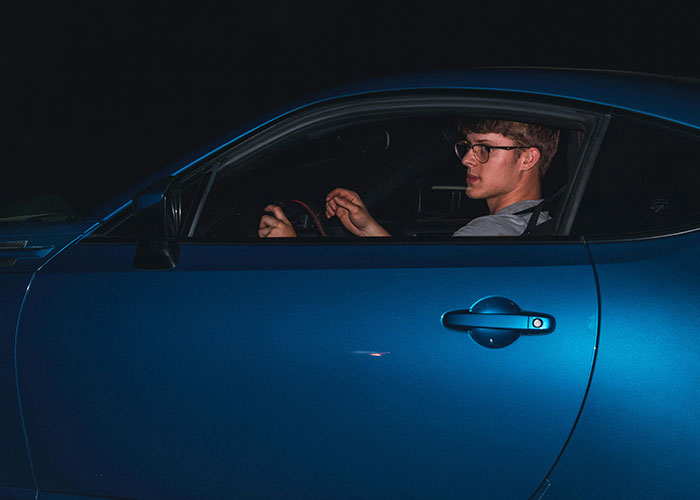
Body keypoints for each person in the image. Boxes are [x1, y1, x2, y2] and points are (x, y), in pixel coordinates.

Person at [257, 118, 560, 238]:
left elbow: (400, 294)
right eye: (468, 147)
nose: (467, 159)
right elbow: (419, 276)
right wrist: (369, 228)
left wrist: (290, 251)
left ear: (528, 158)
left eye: (485, 148)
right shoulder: (532, 221)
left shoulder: (488, 235)